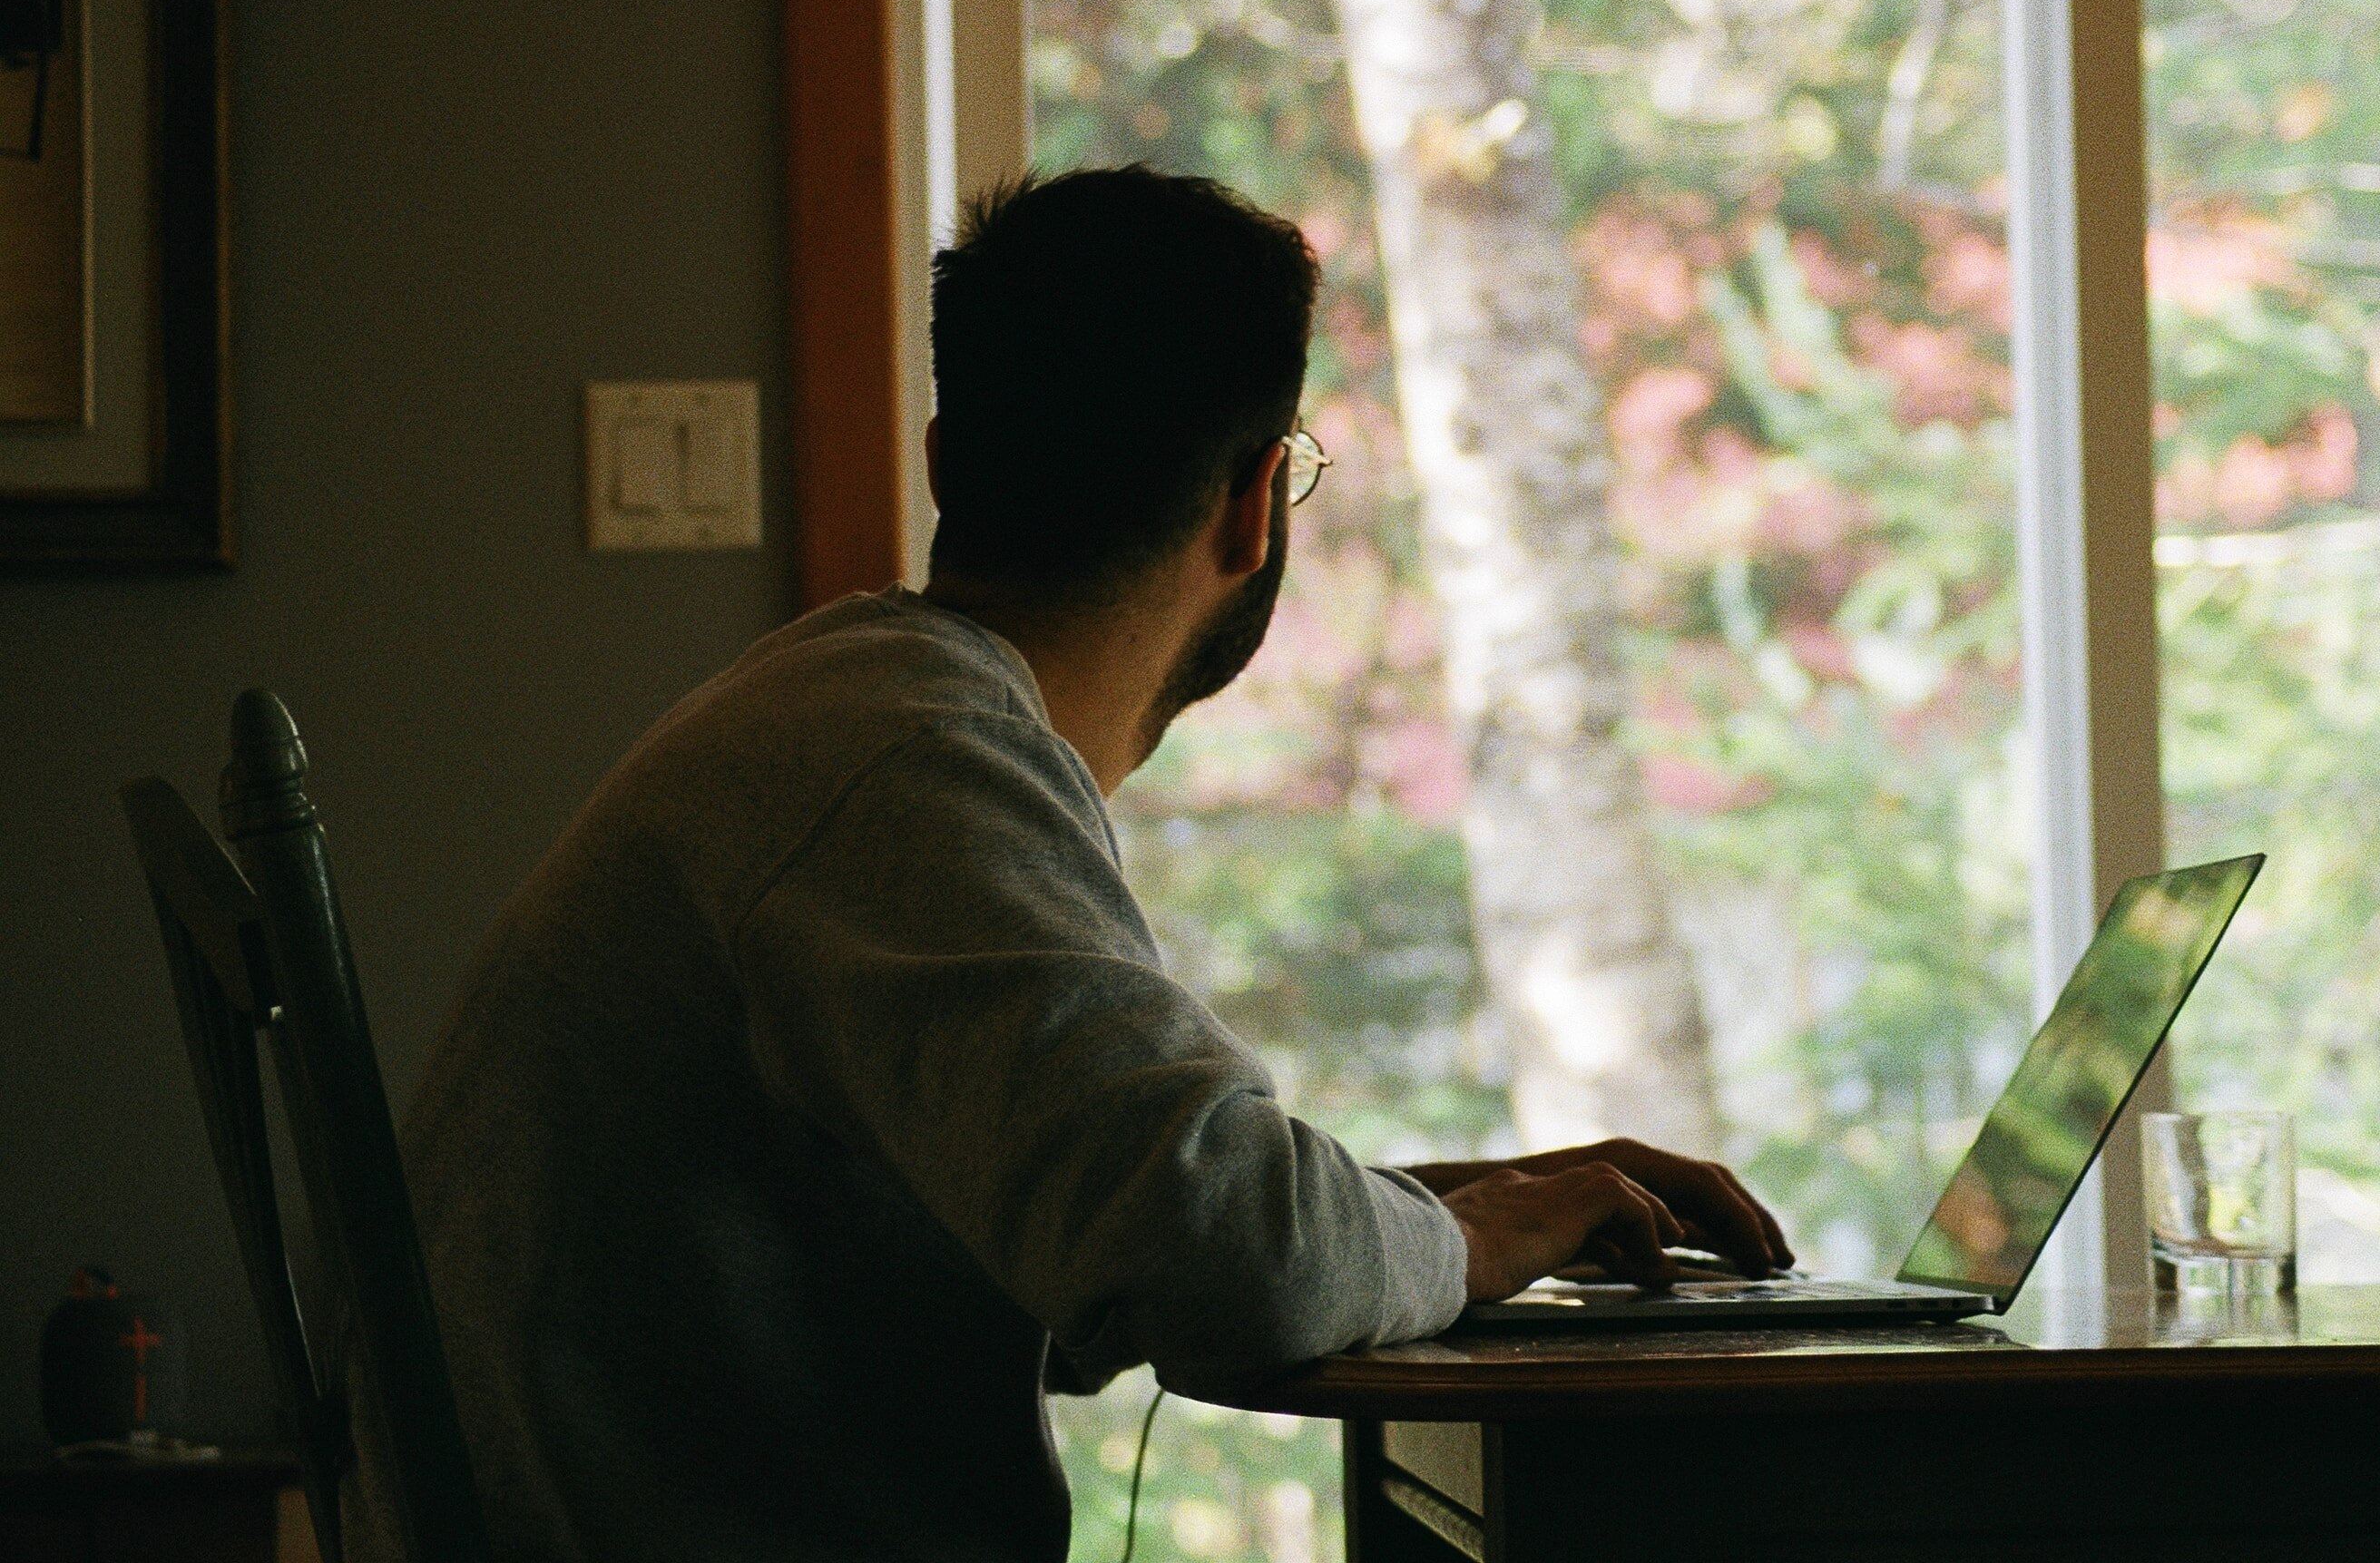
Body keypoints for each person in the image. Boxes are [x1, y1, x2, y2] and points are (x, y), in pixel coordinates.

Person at [345, 166, 1791, 1563]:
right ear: (1254, 508)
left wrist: (1441, 1214)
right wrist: (1460, 1247)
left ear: (939, 463)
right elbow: (1228, 1257)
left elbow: (1135, 1211)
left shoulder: (842, 715)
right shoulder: (904, 759)